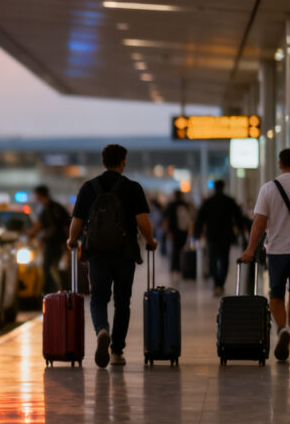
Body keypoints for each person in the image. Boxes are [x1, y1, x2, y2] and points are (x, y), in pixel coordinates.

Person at [67, 144, 158, 369]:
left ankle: (102, 330)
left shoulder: (89, 187)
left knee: (98, 297)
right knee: (122, 301)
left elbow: (77, 222)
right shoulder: (132, 187)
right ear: (123, 161)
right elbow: (142, 221)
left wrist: (71, 240)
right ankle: (117, 351)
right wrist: (151, 241)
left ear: (103, 161)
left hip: (97, 252)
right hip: (125, 252)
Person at [240, 149, 290, 361]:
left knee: (276, 295)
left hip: (278, 251)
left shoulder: (269, 188)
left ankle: (282, 329)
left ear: (280, 163)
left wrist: (250, 250)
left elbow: (259, 224)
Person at [194, 180, 246, 297]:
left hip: (211, 236)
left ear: (214, 188)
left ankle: (217, 284)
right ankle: (220, 284)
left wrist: (197, 233)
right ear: (223, 187)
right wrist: (241, 234)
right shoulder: (230, 201)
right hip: (226, 236)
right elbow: (238, 218)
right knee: (224, 260)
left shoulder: (208, 202)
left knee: (212, 260)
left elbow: (200, 219)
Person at [28, 184, 69, 294]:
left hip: (54, 243)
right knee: (53, 267)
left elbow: (40, 225)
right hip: (58, 243)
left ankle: (53, 292)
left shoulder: (50, 208)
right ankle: (58, 291)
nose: (35, 197)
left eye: (36, 195)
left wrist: (29, 235)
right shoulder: (54, 207)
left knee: (48, 267)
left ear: (39, 195)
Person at [164, 190, 192, 276]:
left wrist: (168, 231)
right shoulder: (185, 205)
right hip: (184, 230)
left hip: (174, 231)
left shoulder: (171, 205)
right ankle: (180, 268)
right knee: (181, 249)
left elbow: (167, 218)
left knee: (175, 250)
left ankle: (174, 268)